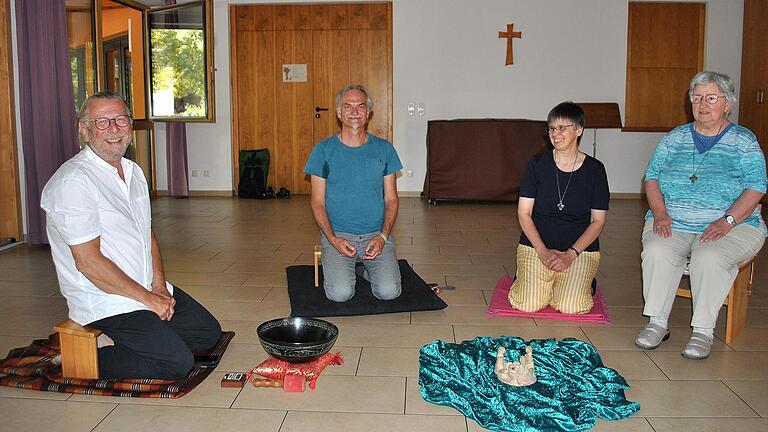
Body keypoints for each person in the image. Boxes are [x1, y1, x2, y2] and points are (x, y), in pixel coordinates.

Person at [41, 91, 221, 379]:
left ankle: (133, 340)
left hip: (143, 287)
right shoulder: (73, 182)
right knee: (178, 364)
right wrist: (149, 301)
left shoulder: (133, 171)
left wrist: (159, 287)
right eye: (102, 122)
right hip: (105, 298)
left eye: (121, 120)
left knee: (206, 333)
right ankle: (80, 359)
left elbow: (145, 234)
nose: (114, 129)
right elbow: (88, 263)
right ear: (84, 130)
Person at [635, 71, 766, 359]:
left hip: (734, 224)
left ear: (727, 103)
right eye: (696, 98)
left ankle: (703, 331)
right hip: (673, 219)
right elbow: (652, 177)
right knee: (657, 249)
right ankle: (657, 322)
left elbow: (757, 186)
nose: (701, 104)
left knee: (709, 256)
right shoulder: (674, 138)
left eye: (710, 98)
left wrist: (727, 220)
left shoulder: (743, 141)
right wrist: (660, 213)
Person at [508, 102, 609, 314]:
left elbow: (598, 221)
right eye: (552, 128)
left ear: (579, 130)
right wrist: (542, 251)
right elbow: (524, 213)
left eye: (563, 127)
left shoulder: (596, 170)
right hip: (536, 247)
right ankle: (528, 277)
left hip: (578, 251)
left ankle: (581, 282)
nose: (556, 133)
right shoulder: (537, 165)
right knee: (528, 304)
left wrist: (571, 254)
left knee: (571, 306)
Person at [304, 84, 402, 302]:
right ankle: (338, 266)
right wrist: (333, 239)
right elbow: (317, 203)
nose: (354, 112)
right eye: (348, 106)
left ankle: (364, 271)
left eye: (360, 107)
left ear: (368, 112)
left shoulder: (384, 149)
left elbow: (392, 199)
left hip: (374, 235)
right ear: (339, 112)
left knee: (389, 292)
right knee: (340, 294)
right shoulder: (322, 151)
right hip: (339, 235)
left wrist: (383, 236)